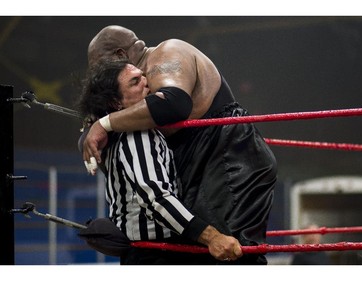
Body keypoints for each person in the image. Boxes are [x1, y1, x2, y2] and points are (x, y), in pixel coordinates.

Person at [82, 25, 278, 264]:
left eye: (101, 67)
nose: (99, 76)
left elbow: (173, 104)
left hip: (228, 154)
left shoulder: (166, 55)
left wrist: (104, 123)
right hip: (195, 159)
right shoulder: (130, 96)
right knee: (196, 251)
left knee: (230, 252)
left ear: (121, 55)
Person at [77, 58, 243, 265]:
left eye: (143, 75)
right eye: (135, 82)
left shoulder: (123, 133)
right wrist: (212, 237)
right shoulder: (136, 135)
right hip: (153, 254)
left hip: (152, 251)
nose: (147, 81)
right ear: (115, 103)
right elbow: (156, 199)